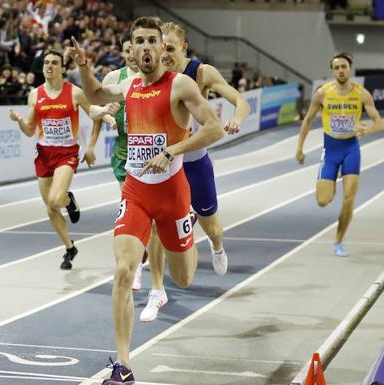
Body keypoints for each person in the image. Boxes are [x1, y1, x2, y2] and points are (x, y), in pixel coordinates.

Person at [66, 16, 224, 384]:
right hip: (136, 193)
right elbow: (94, 96)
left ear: (161, 48)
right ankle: (123, 367)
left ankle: (196, 235)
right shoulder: (130, 85)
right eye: (140, 41)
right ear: (132, 50)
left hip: (173, 196)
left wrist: (173, 150)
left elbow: (214, 128)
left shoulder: (180, 85)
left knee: (183, 278)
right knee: (122, 272)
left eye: (154, 41)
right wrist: (85, 68)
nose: (148, 48)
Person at [137, 21, 251, 323]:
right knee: (157, 228)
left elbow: (241, 101)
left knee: (210, 225)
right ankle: (156, 289)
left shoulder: (201, 73)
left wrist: (237, 117)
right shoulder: (152, 76)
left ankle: (216, 246)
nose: (164, 56)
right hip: (164, 167)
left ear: (182, 48)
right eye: (162, 49)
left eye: (170, 49)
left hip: (195, 163)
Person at [9, 49, 118, 270]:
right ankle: (70, 248)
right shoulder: (35, 94)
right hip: (44, 154)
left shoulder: (74, 92)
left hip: (66, 154)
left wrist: (108, 117)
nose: (49, 66)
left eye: (54, 63)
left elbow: (93, 110)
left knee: (56, 200)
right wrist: (19, 121)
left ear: (62, 68)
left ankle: (69, 200)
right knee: (50, 209)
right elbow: (30, 131)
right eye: (46, 63)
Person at [295, 52, 383, 257]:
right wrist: (300, 148)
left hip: (351, 148)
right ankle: (330, 181)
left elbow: (379, 122)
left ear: (350, 69)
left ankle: (338, 241)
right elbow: (307, 120)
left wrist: (368, 130)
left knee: (349, 199)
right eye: (337, 68)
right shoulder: (322, 93)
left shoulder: (362, 94)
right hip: (331, 149)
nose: (341, 70)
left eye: (344, 66)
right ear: (332, 71)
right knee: (323, 200)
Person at [101, 30, 148, 291]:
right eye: (128, 49)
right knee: (131, 208)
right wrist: (105, 115)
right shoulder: (113, 78)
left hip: (151, 151)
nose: (132, 54)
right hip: (123, 152)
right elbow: (95, 105)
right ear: (123, 52)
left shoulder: (152, 77)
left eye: (136, 48)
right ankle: (137, 264)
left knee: (151, 212)